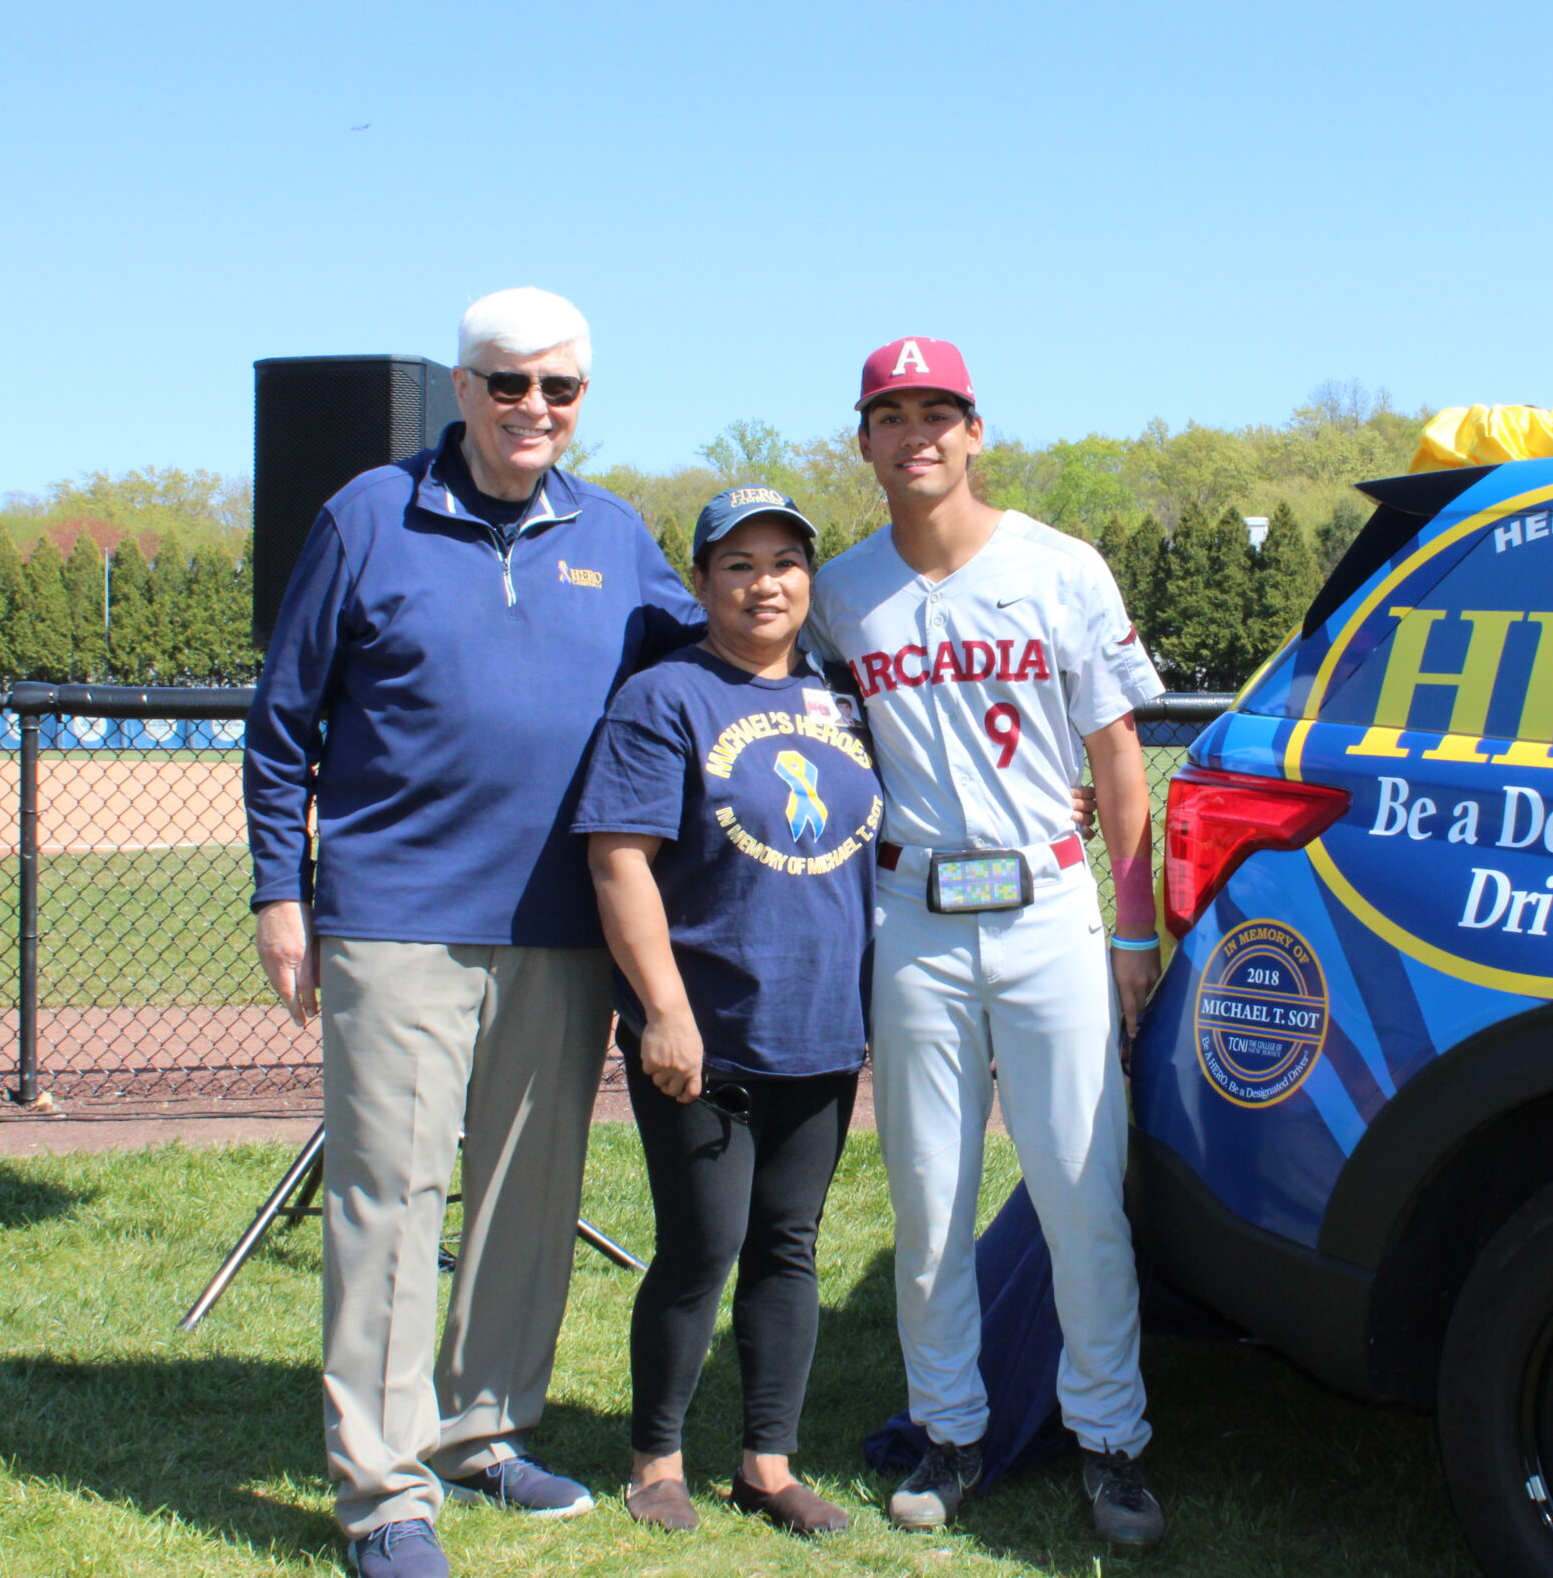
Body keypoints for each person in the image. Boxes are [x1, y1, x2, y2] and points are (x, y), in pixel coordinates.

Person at [244, 287, 700, 1578]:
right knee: (391, 1194)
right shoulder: (367, 518)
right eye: (508, 384)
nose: (533, 409)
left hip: (563, 926)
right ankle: (383, 1491)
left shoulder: (616, 537)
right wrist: (283, 890)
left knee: (528, 1190)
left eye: (559, 389)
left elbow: (714, 661)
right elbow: (284, 723)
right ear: (462, 386)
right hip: (396, 915)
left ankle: (482, 1425)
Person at [805, 337, 1171, 1548]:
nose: (916, 433)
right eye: (890, 413)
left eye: (938, 411)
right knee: (925, 1197)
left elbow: (1119, 759)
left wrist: (1134, 928)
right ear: (862, 439)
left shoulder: (1060, 568)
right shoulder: (841, 592)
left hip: (1048, 909)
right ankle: (948, 1429)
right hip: (911, 915)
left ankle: (1111, 1440)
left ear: (975, 430)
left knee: (1082, 1195)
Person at [575, 485, 876, 1539]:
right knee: (701, 1247)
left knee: (787, 1245)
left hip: (822, 1026)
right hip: (705, 1029)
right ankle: (657, 1458)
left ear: (810, 580)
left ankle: (766, 1462)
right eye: (738, 564)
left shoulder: (841, 700)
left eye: (785, 563)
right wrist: (664, 1009)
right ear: (700, 581)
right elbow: (619, 859)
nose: (764, 584)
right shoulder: (665, 698)